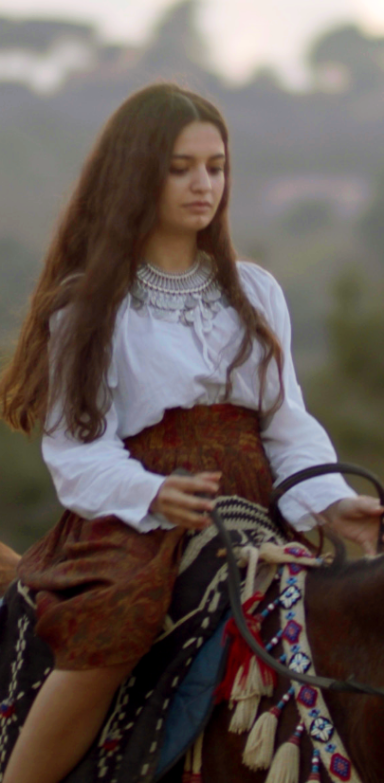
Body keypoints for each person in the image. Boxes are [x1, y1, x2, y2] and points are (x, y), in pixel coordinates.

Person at [0, 82, 382, 783]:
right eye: (180, 167)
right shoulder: (87, 308)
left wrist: (330, 502)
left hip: (255, 516)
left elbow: (287, 422)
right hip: (132, 522)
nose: (203, 184)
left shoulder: (257, 290)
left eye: (215, 165)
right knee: (112, 636)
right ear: (136, 172)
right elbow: (76, 452)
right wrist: (153, 492)